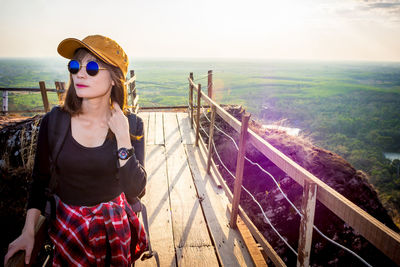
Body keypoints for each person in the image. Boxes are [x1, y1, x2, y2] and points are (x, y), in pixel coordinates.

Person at [4, 35, 148, 266]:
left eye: (91, 67)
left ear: (114, 79)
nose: (79, 73)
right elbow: (39, 182)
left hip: (114, 231)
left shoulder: (132, 125)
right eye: (74, 66)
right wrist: (28, 231)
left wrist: (122, 137)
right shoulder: (55, 122)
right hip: (68, 230)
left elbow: (136, 188)